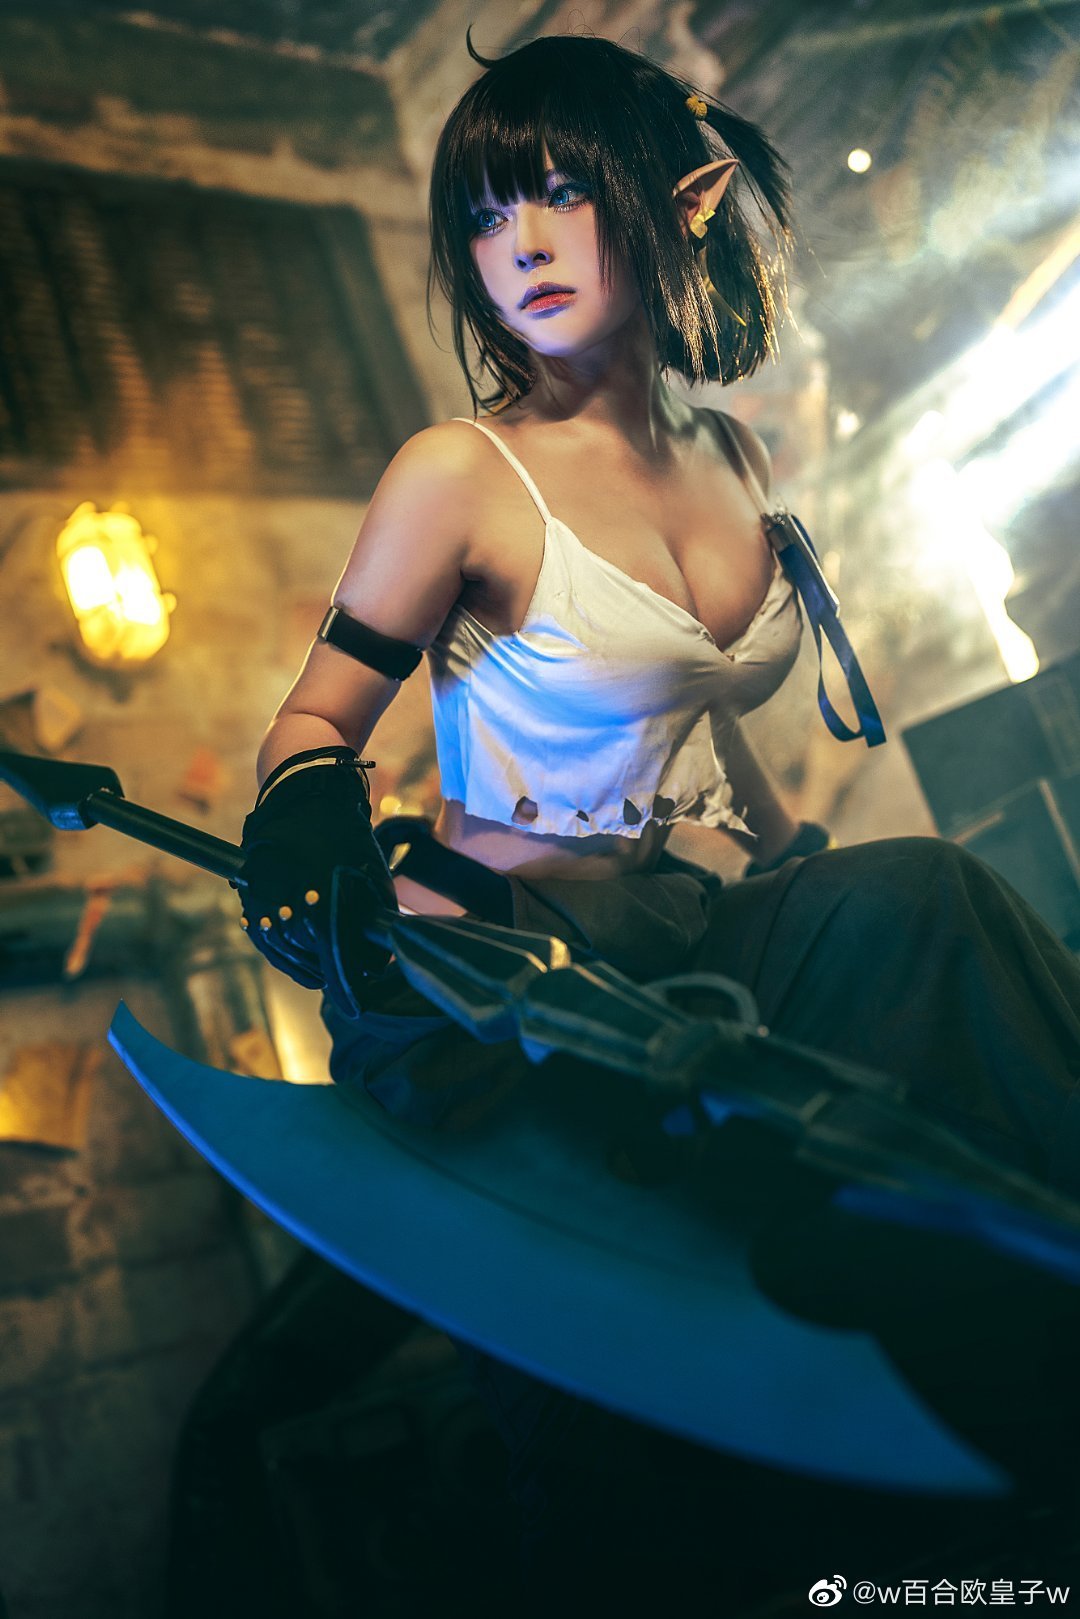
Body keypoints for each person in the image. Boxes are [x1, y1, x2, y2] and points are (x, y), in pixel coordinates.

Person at [235, 30, 1080, 1612]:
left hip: (696, 928)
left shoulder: (731, 456)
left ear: (674, 200)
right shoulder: (460, 474)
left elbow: (700, 711)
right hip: (509, 966)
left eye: (561, 192)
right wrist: (301, 821)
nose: (522, 243)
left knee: (924, 902)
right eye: (487, 214)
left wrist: (797, 863)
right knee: (615, 1407)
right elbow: (314, 721)